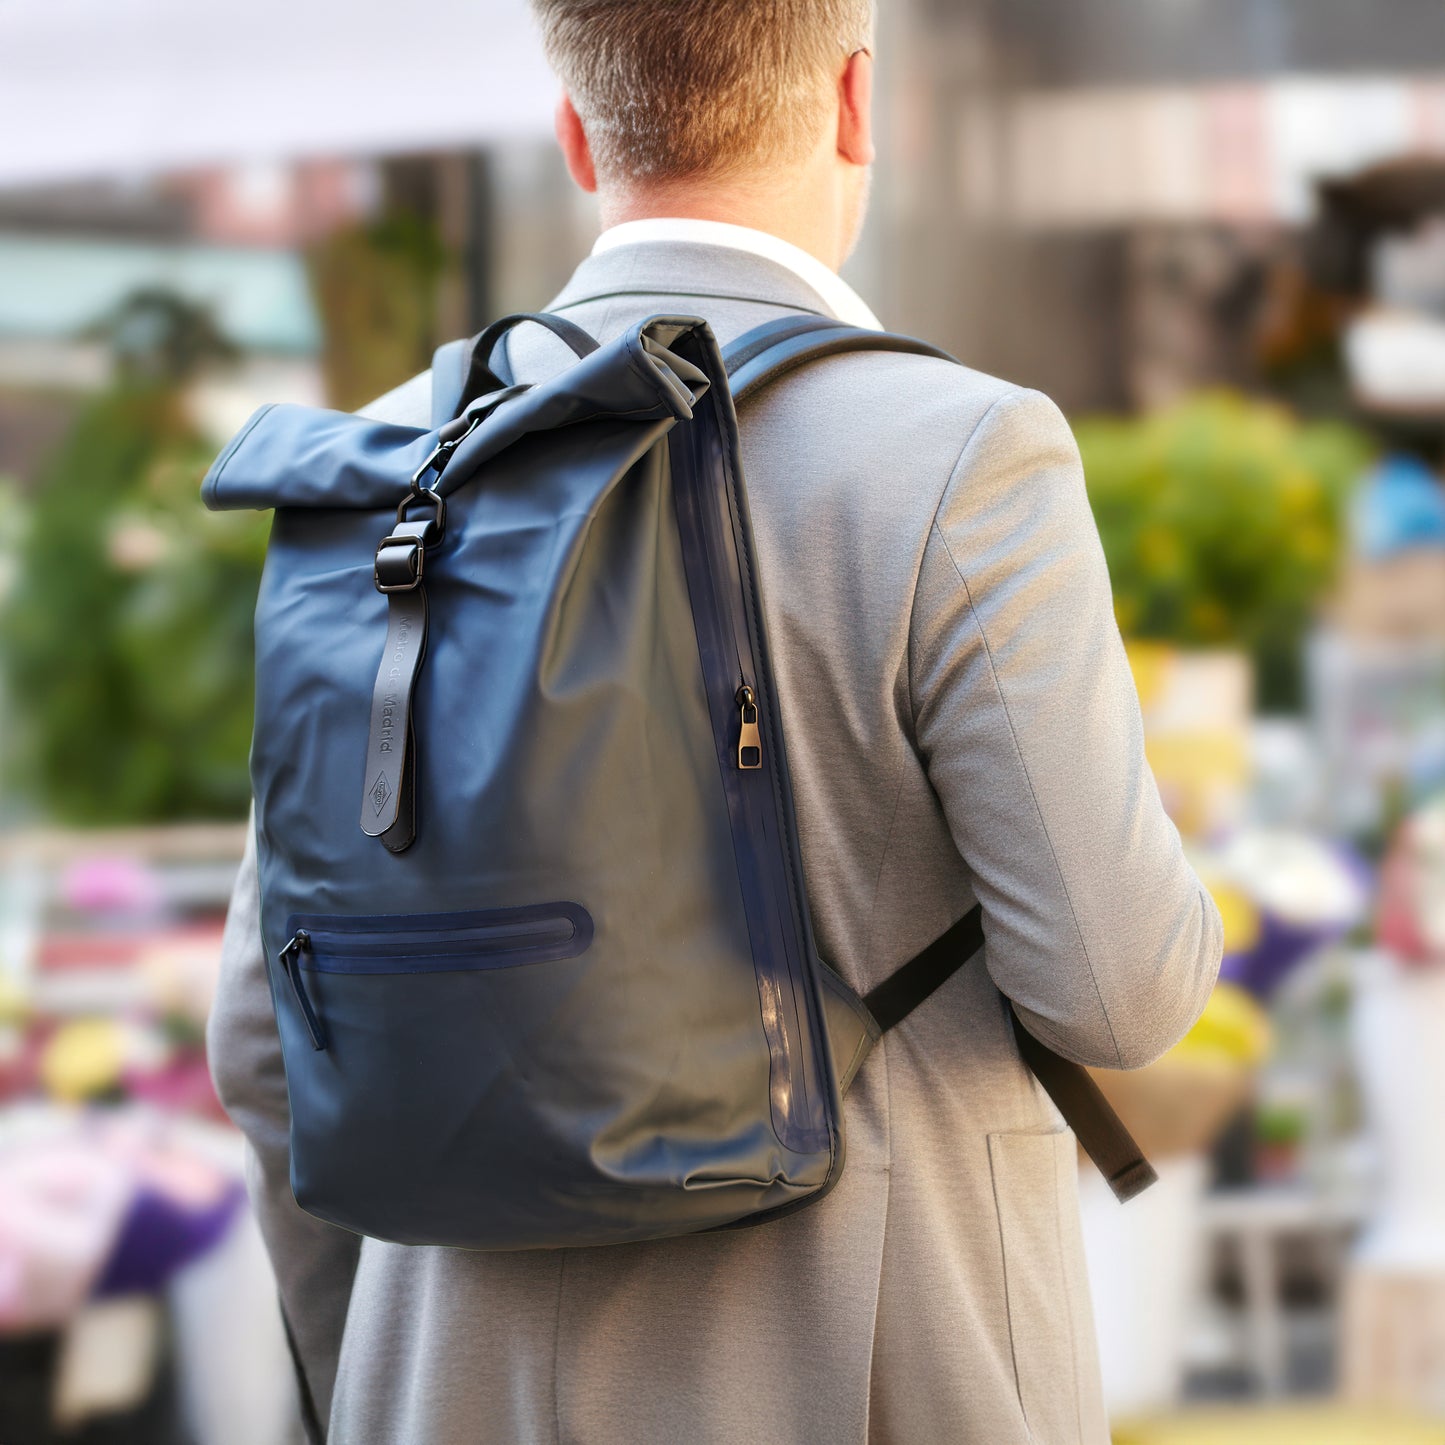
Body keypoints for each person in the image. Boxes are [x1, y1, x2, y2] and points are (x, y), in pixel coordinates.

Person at [208, 3, 1223, 1441]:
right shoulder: (958, 455)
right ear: (855, 101)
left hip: (446, 1381)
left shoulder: (374, 463)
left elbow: (263, 1045)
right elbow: (1117, 992)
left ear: (575, 135)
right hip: (873, 1372)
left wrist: (367, 1377)